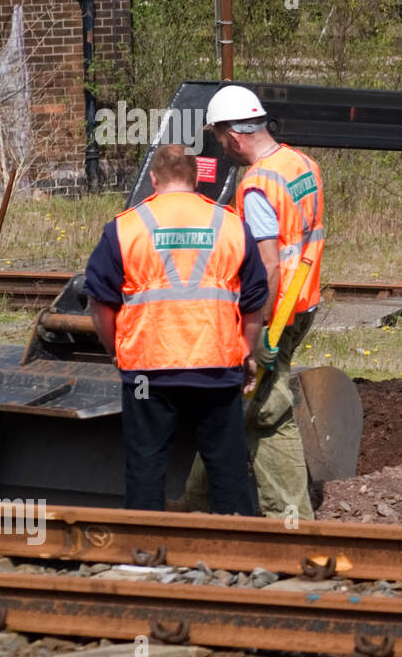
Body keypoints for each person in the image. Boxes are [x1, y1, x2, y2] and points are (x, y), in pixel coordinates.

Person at [84, 143, 269, 514]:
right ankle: (237, 552)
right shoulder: (231, 224)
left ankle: (142, 552)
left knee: (145, 464)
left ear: (154, 179)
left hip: (146, 371)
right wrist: (246, 354)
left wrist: (115, 351)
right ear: (197, 178)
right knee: (228, 465)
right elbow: (253, 303)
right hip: (216, 366)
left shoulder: (125, 227)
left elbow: (99, 303)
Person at [183, 84, 324, 520]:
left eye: (219, 138)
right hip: (305, 301)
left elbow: (268, 266)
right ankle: (195, 507)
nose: (221, 147)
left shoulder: (258, 184)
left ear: (234, 134)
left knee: (264, 411)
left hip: (277, 313)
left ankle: (289, 522)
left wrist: (256, 331)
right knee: (239, 405)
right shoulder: (301, 163)